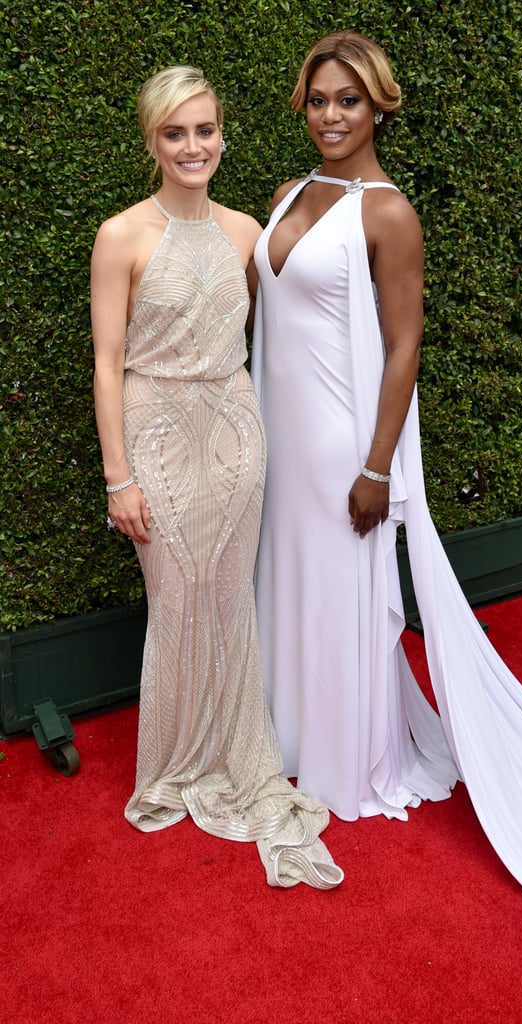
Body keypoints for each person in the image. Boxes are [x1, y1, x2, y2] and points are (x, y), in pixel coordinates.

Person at [251, 32, 522, 977]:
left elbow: (403, 347)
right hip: (280, 446)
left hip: (341, 451)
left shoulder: (389, 213)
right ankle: (285, 736)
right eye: (318, 99)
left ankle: (349, 759)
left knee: (345, 600)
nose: (330, 115)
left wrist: (377, 469)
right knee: (288, 592)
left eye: (348, 102)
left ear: (380, 109)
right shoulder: (284, 196)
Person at [90, 65, 342, 890]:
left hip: (236, 434)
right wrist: (115, 476)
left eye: (204, 130)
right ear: (151, 142)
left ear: (222, 135)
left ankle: (237, 756)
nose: (192, 146)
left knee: (230, 603)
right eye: (175, 133)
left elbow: (303, 327)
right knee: (176, 600)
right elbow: (106, 361)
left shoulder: (245, 231)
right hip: (155, 436)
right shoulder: (120, 234)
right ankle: (173, 766)